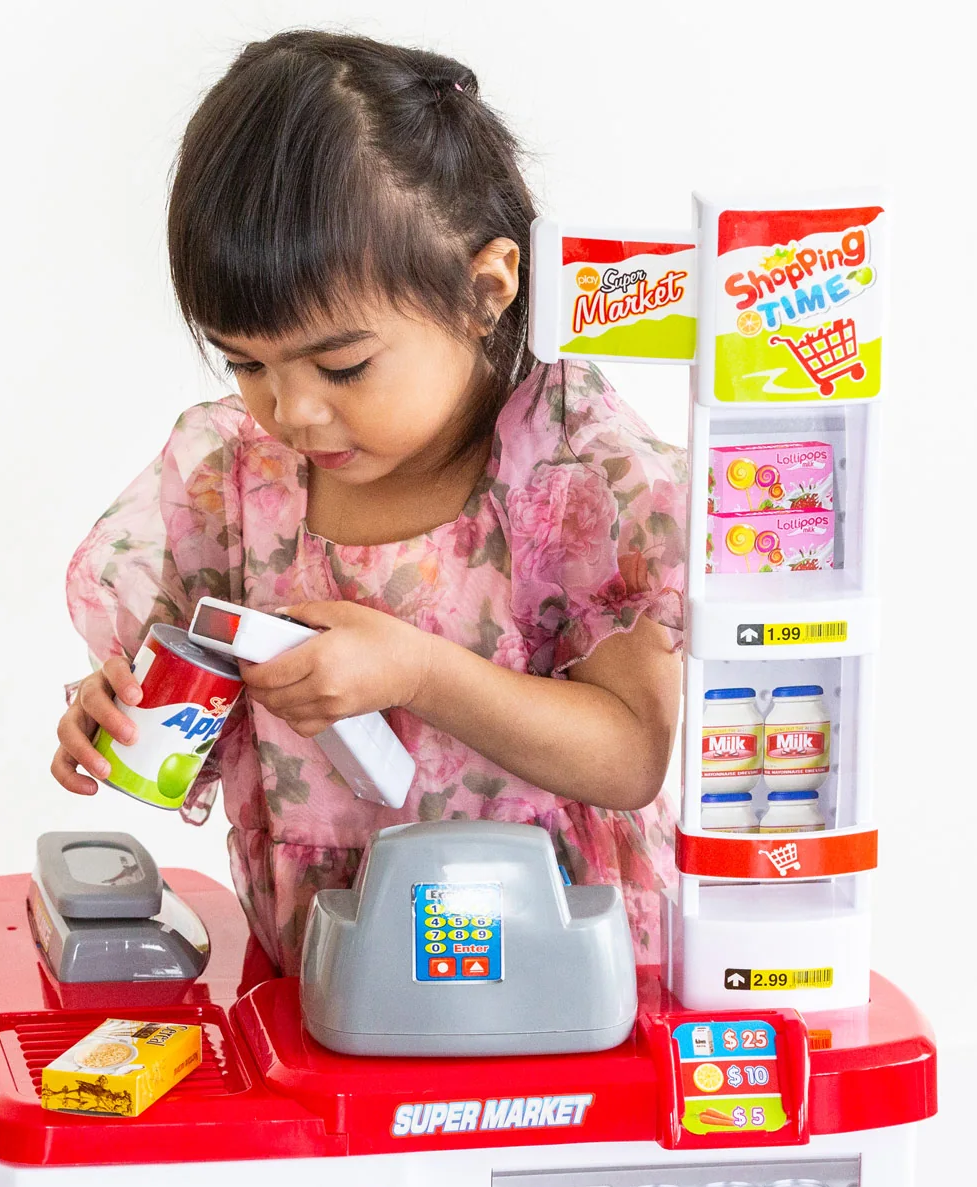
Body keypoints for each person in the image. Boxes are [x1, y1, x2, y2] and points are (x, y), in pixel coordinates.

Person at [53, 30, 686, 975]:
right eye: (247, 363)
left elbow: (631, 756)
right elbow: (197, 695)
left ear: (484, 289)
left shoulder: (571, 472)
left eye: (342, 365)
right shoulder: (235, 477)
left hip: (550, 981)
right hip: (320, 972)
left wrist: (419, 674)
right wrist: (121, 711)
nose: (293, 411)